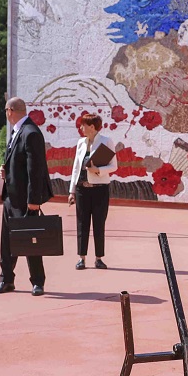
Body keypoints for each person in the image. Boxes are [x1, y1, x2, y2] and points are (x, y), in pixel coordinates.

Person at [0, 96, 52, 296]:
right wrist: (6, 171)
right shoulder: (18, 131)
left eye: (5, 111)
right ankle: (6, 280)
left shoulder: (31, 132)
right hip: (10, 196)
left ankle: (38, 282)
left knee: (30, 241)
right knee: (7, 242)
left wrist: (34, 202)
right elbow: (19, 165)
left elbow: (35, 170)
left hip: (26, 200)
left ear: (10, 111)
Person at [67, 112, 116, 270]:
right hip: (82, 190)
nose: (81, 127)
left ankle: (98, 258)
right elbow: (76, 167)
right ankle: (81, 258)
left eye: (84, 125)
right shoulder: (81, 142)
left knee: (99, 223)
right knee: (82, 223)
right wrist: (72, 191)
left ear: (92, 127)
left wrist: (98, 170)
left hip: (100, 189)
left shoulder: (106, 141)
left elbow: (114, 166)